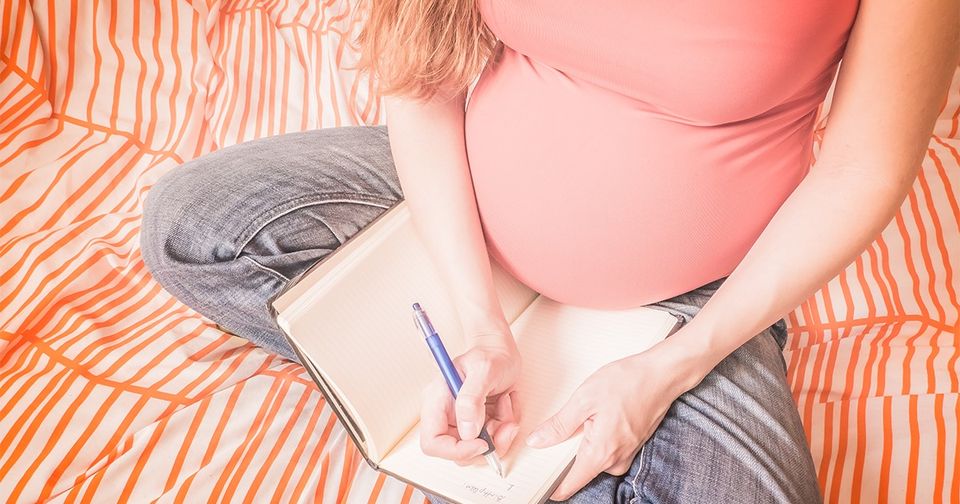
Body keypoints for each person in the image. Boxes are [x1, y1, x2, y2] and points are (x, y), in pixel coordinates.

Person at [139, 0, 958, 501]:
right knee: (192, 227)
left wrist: (669, 371)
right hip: (454, 217)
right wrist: (477, 319)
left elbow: (865, 167)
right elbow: (418, 72)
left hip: (694, 307)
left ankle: (603, 419)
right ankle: (493, 381)